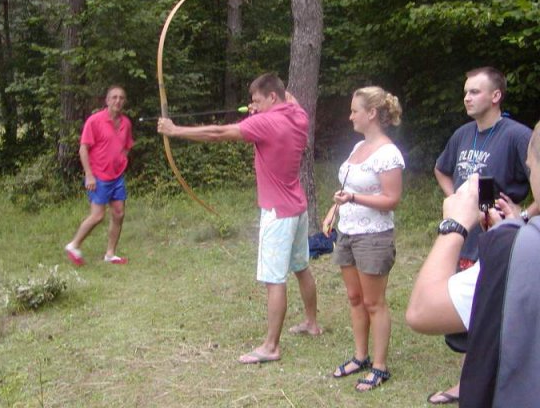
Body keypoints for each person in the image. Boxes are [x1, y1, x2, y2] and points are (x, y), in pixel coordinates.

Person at [157, 73, 321, 364]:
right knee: (301, 267)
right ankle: (311, 323)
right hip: (298, 208)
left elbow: (218, 133)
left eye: (257, 100)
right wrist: (262, 105)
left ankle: (271, 347)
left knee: (274, 280)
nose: (253, 105)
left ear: (272, 97)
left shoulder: (266, 123)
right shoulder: (298, 115)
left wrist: (175, 130)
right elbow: (289, 97)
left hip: (277, 213)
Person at [406, 119, 540, 407]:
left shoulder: (515, 250)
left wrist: (454, 224)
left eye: (531, 167)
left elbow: (422, 311)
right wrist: (517, 227)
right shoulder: (463, 134)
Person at [428, 67, 536, 404]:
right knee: (465, 310)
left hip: (501, 240)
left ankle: (492, 379)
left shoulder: (517, 135)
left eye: (475, 91)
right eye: (466, 92)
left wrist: (523, 215)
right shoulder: (463, 134)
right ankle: (467, 380)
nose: (467, 97)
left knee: (491, 310)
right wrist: (456, 200)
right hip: (465, 235)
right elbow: (440, 169)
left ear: (496, 96)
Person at [326, 86, 404, 392]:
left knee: (374, 302)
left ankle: (380, 367)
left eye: (354, 111)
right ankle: (360, 357)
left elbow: (392, 199)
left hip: (373, 237)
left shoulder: (388, 153)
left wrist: (354, 198)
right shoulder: (358, 147)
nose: (350, 116)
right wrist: (334, 209)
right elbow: (348, 188)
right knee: (355, 298)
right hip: (347, 233)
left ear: (371, 113)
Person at [65, 85, 134, 266]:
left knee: (119, 213)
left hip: (117, 177)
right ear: (107, 100)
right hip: (99, 176)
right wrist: (89, 175)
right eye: (114, 97)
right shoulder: (95, 121)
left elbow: (127, 146)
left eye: (121, 98)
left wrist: (121, 161)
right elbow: (83, 149)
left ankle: (110, 254)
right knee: (97, 216)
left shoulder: (126, 123)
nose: (118, 101)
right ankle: (73, 245)